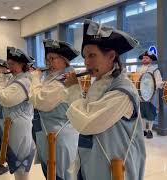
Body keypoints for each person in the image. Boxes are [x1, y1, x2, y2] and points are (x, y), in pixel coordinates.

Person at [64, 19, 146, 180]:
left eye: (92, 55)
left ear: (111, 56)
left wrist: (74, 89)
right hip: (94, 162)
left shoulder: (123, 91)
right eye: (85, 56)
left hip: (115, 169)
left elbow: (86, 123)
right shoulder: (100, 82)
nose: (87, 62)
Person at [29, 39, 80, 180]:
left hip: (59, 138)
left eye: (52, 59)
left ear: (64, 61)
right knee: (51, 174)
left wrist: (34, 79)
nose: (48, 63)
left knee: (60, 175)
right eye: (47, 59)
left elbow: (38, 101)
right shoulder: (53, 77)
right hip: (49, 135)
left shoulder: (61, 81)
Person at [0, 47, 35, 180]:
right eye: (9, 64)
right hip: (13, 123)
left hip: (20, 125)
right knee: (14, 158)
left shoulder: (24, 81)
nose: (10, 67)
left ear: (22, 65)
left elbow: (5, 99)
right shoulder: (15, 79)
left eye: (13, 64)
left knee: (21, 159)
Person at [137, 51, 163, 139]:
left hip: (150, 95)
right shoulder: (138, 69)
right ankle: (144, 130)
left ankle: (150, 130)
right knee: (142, 113)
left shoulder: (155, 70)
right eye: (143, 58)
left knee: (150, 112)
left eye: (146, 58)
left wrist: (151, 90)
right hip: (140, 95)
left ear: (151, 60)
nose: (144, 59)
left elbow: (159, 82)